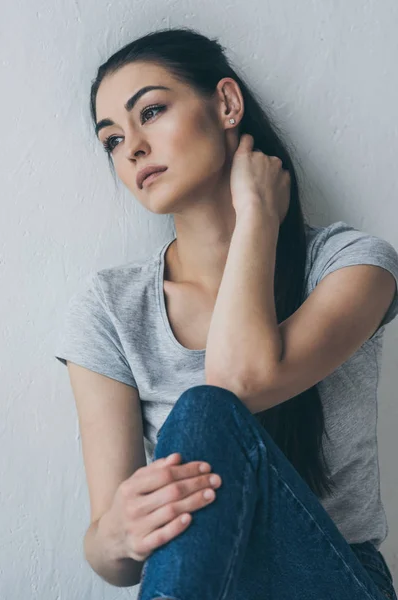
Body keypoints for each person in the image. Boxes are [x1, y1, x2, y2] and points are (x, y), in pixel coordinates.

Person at [54, 27, 398, 599]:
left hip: (335, 579)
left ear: (227, 104)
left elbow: (239, 381)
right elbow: (114, 563)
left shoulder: (352, 266)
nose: (132, 146)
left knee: (205, 410)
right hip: (206, 581)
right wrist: (116, 535)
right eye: (112, 139)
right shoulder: (110, 310)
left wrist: (258, 214)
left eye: (152, 111)